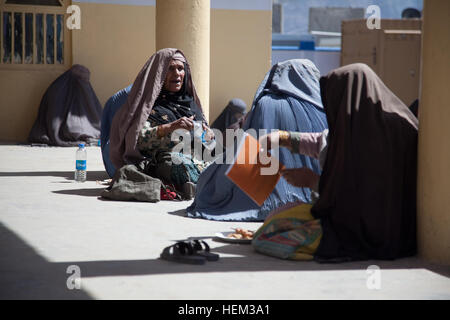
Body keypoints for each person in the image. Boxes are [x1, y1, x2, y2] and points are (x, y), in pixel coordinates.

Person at [253, 63, 418, 262]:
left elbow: (365, 196)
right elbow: (327, 143)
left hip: (370, 231)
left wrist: (314, 182)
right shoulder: (367, 120)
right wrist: (283, 138)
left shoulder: (379, 138)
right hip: (394, 232)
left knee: (270, 234)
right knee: (280, 215)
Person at [186, 59, 328, 221]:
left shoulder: (265, 103)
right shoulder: (324, 108)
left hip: (261, 194)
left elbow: (250, 151)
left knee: (213, 175)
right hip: (318, 191)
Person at [109, 48, 213, 198]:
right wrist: (171, 127)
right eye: (170, 68)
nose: (176, 73)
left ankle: (198, 183)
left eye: (180, 68)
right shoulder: (147, 107)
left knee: (231, 157)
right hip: (163, 160)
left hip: (199, 159)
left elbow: (208, 144)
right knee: (176, 164)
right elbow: (139, 141)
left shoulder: (192, 105)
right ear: (159, 74)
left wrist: (208, 136)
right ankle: (199, 184)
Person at [28, 64, 102, 146]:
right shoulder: (57, 90)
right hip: (59, 131)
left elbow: (96, 119)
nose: (84, 83)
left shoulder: (84, 92)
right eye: (82, 79)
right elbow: (54, 121)